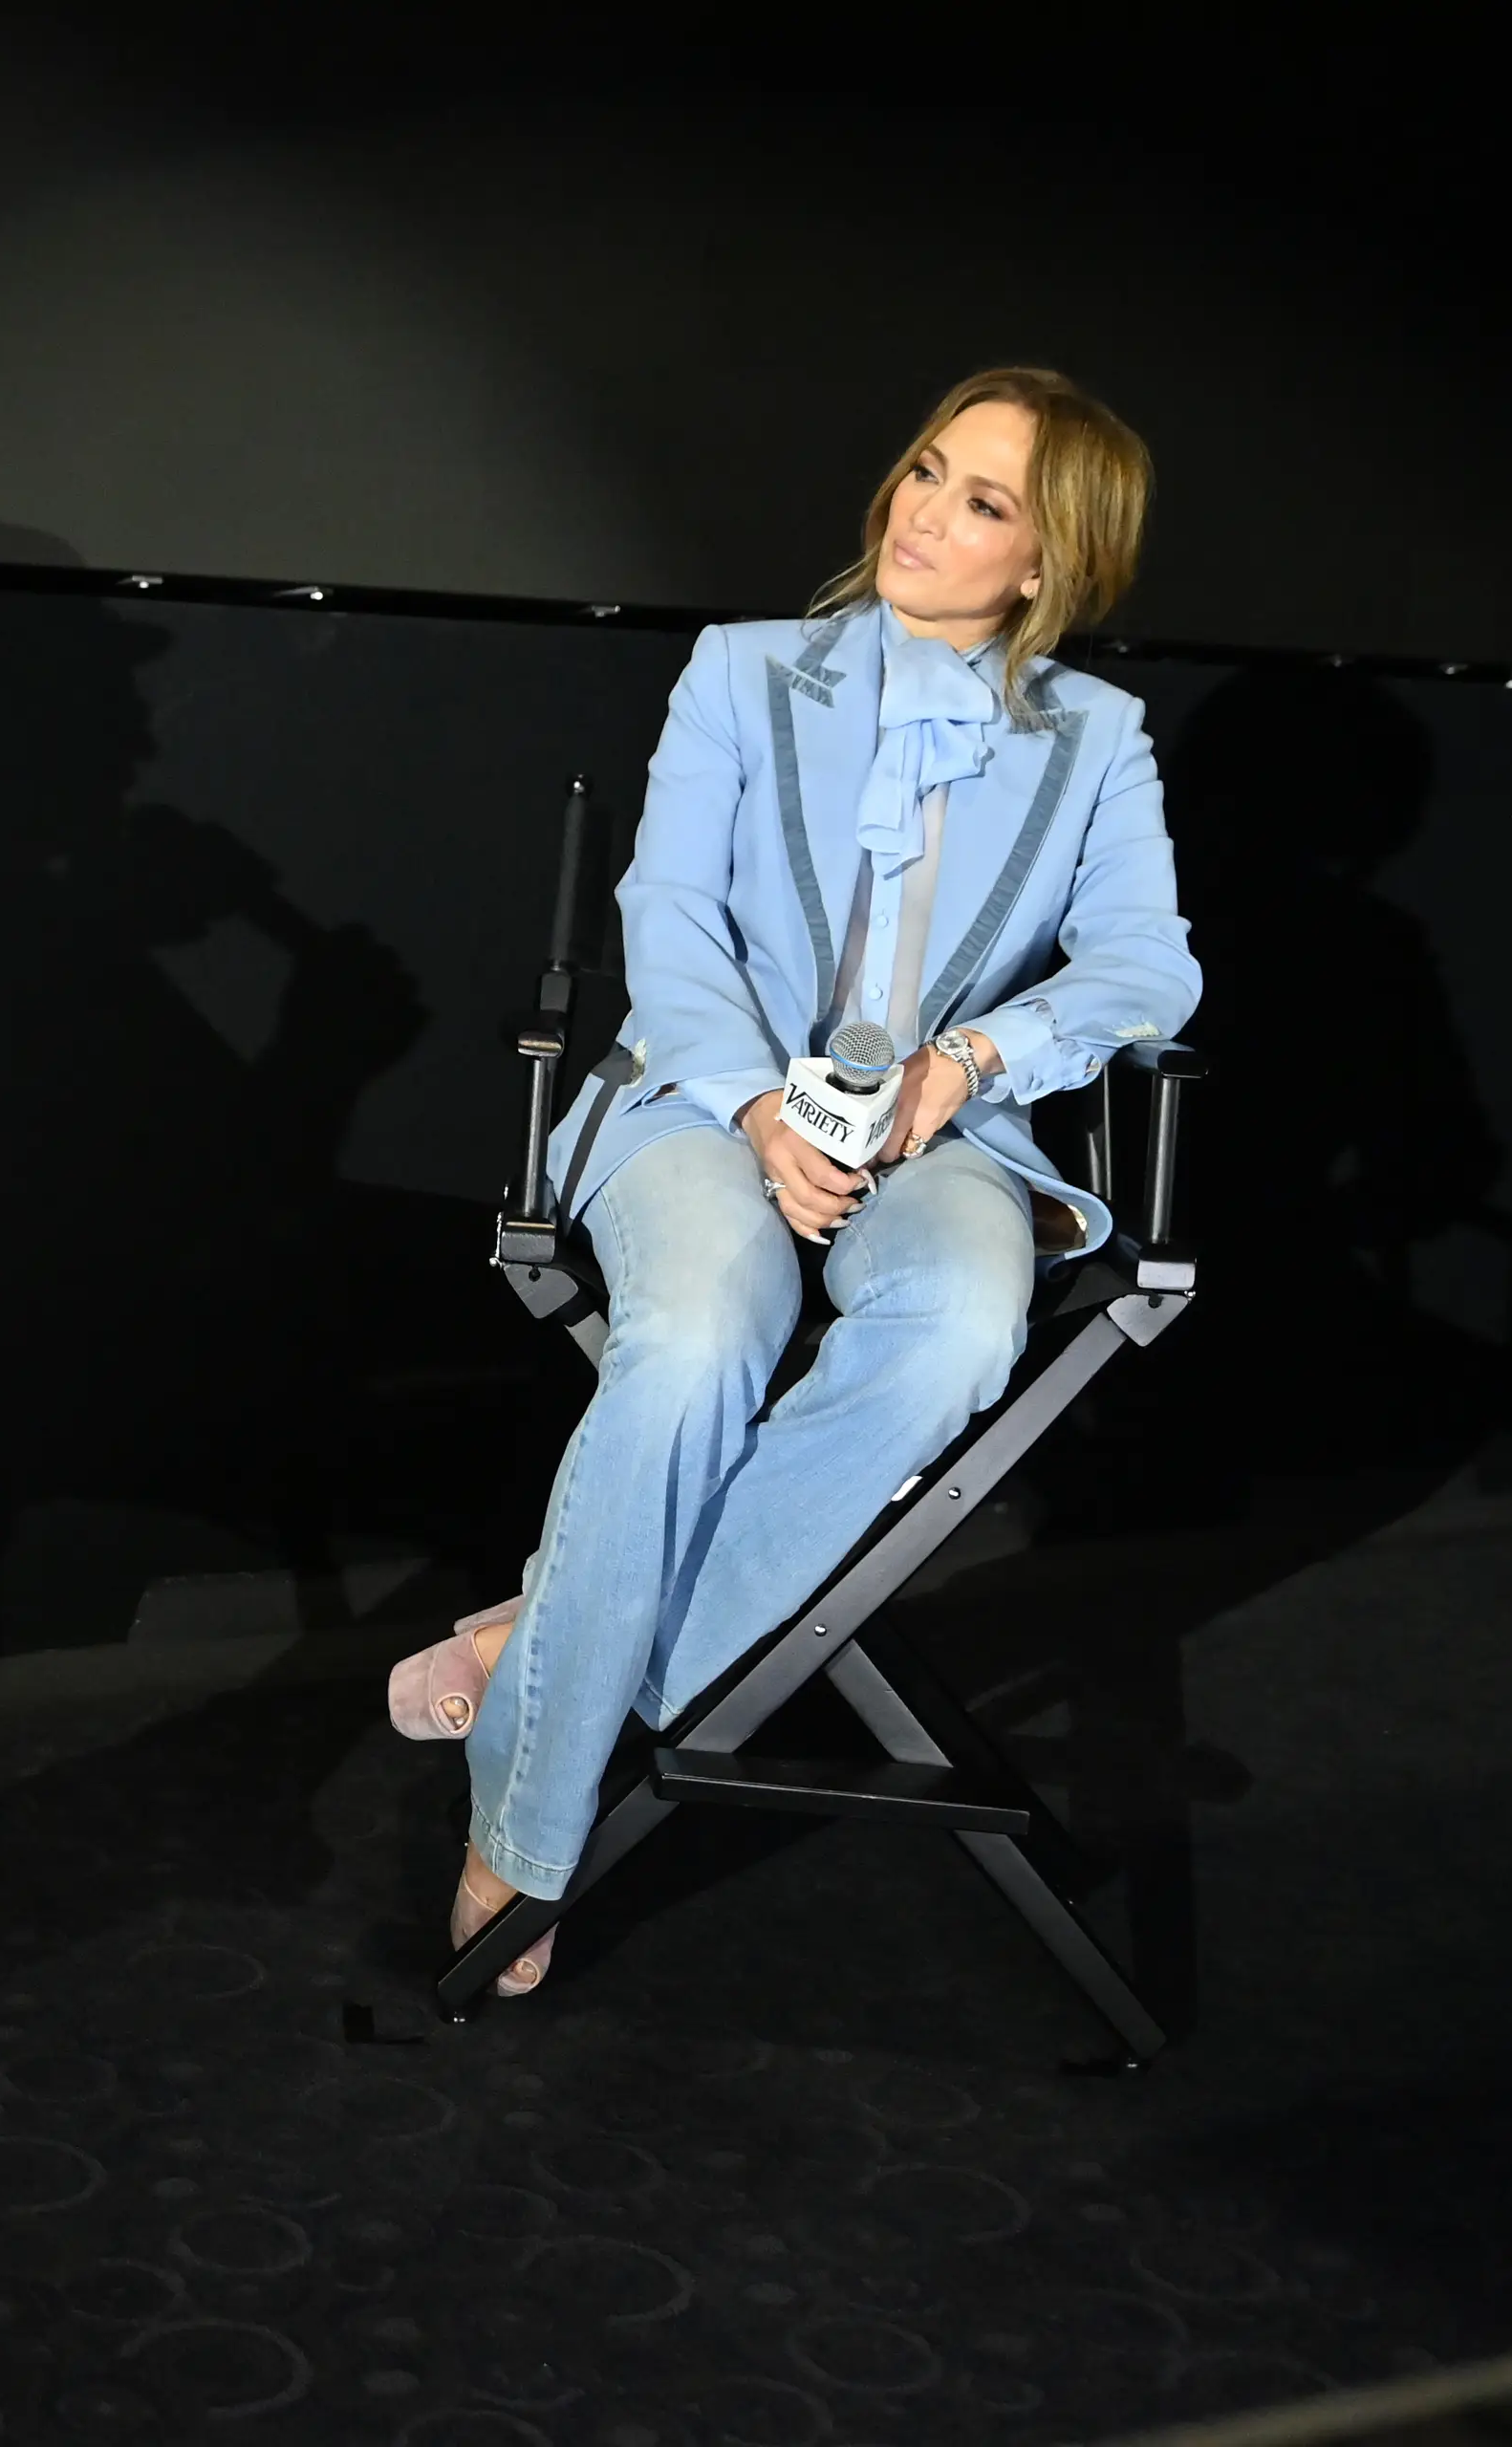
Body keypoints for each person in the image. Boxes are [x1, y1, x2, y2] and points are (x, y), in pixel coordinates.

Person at [383, 367, 1200, 1996]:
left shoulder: (1100, 741)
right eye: (924, 469)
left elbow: (1143, 966)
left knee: (967, 1322)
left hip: (939, 1129)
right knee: (691, 1339)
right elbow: (670, 913)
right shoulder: (745, 674)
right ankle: (526, 1832)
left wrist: (969, 1068)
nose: (923, 512)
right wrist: (760, 1105)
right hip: (701, 1095)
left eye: (984, 501)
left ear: (1047, 563)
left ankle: (544, 1652)